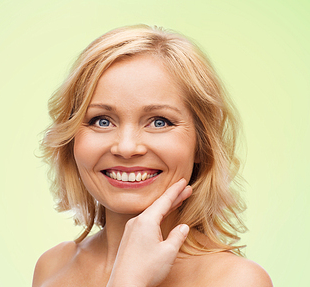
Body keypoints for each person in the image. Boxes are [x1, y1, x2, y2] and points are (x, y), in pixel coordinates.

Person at [33, 24, 272, 287]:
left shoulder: (235, 280)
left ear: (201, 146)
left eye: (159, 122)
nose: (125, 147)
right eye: (102, 121)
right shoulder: (52, 268)